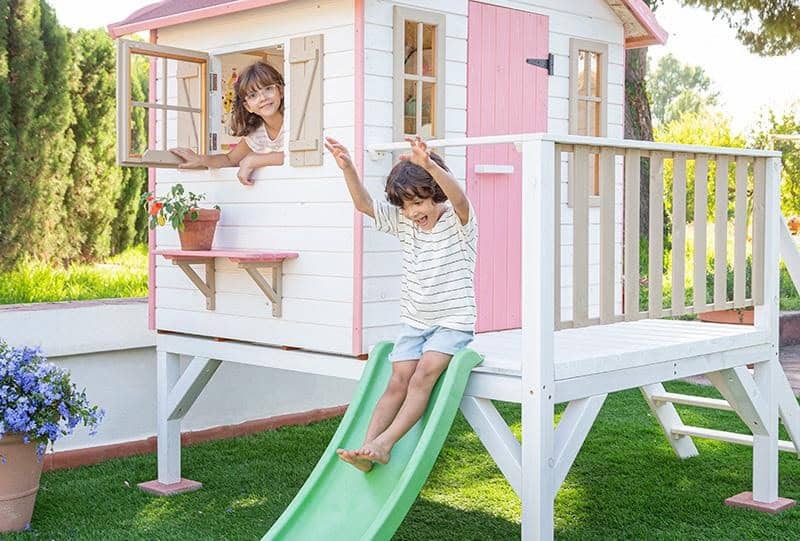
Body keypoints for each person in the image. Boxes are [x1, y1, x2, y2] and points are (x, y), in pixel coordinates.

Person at [325, 135, 478, 472]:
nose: (413, 213)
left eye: (419, 203)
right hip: (415, 322)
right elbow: (365, 205)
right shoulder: (405, 224)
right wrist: (348, 167)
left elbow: (460, 198)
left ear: (434, 195)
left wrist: (429, 166)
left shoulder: (458, 222)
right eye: (406, 207)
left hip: (452, 321)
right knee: (397, 381)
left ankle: (384, 444)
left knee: (422, 376)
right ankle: (367, 448)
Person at [170, 61, 285, 185]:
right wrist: (200, 159)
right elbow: (229, 159)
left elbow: (302, 156)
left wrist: (254, 160)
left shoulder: (294, 123)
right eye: (253, 95)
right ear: (248, 107)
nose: (262, 98)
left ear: (280, 91)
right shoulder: (257, 133)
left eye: (268, 89)